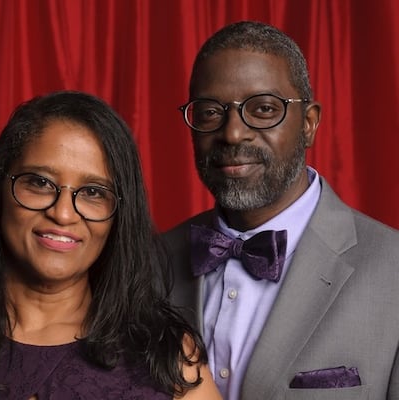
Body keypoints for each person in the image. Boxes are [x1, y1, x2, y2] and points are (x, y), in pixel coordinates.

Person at [0, 90, 222, 400]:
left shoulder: (169, 357)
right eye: (40, 183)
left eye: (94, 193)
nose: (63, 213)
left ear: (119, 216)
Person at [165, 21, 399, 400]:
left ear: (308, 124)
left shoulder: (394, 271)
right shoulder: (147, 264)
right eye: (210, 112)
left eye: (263, 109)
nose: (233, 133)